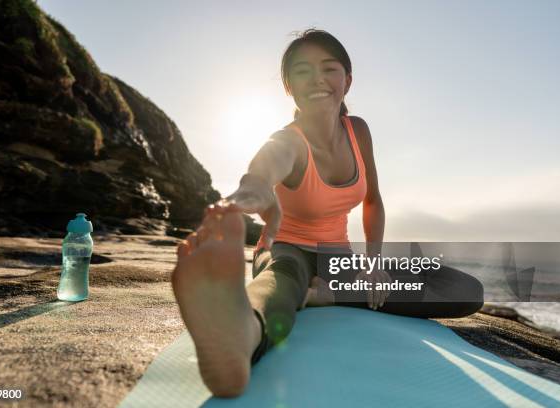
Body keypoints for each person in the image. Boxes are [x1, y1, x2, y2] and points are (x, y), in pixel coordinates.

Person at [171, 29, 484, 398]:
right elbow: (258, 177)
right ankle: (239, 338)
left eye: (329, 68)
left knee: (465, 289)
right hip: (286, 251)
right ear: (289, 86)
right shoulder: (287, 141)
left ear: (347, 80)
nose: (317, 78)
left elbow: (373, 200)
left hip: (339, 260)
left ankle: (325, 296)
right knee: (278, 285)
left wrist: (373, 264)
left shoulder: (358, 131)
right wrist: (241, 200)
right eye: (302, 71)